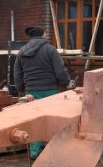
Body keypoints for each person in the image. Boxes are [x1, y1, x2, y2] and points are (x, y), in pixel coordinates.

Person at [13, 25, 75, 159]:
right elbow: (60, 70)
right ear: (42, 35)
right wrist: (67, 83)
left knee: (35, 122)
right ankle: (54, 152)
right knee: (52, 122)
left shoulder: (22, 51)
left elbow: (17, 74)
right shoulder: (50, 50)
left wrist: (20, 89)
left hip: (31, 92)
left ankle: (34, 153)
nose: (46, 35)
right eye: (46, 33)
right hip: (50, 92)